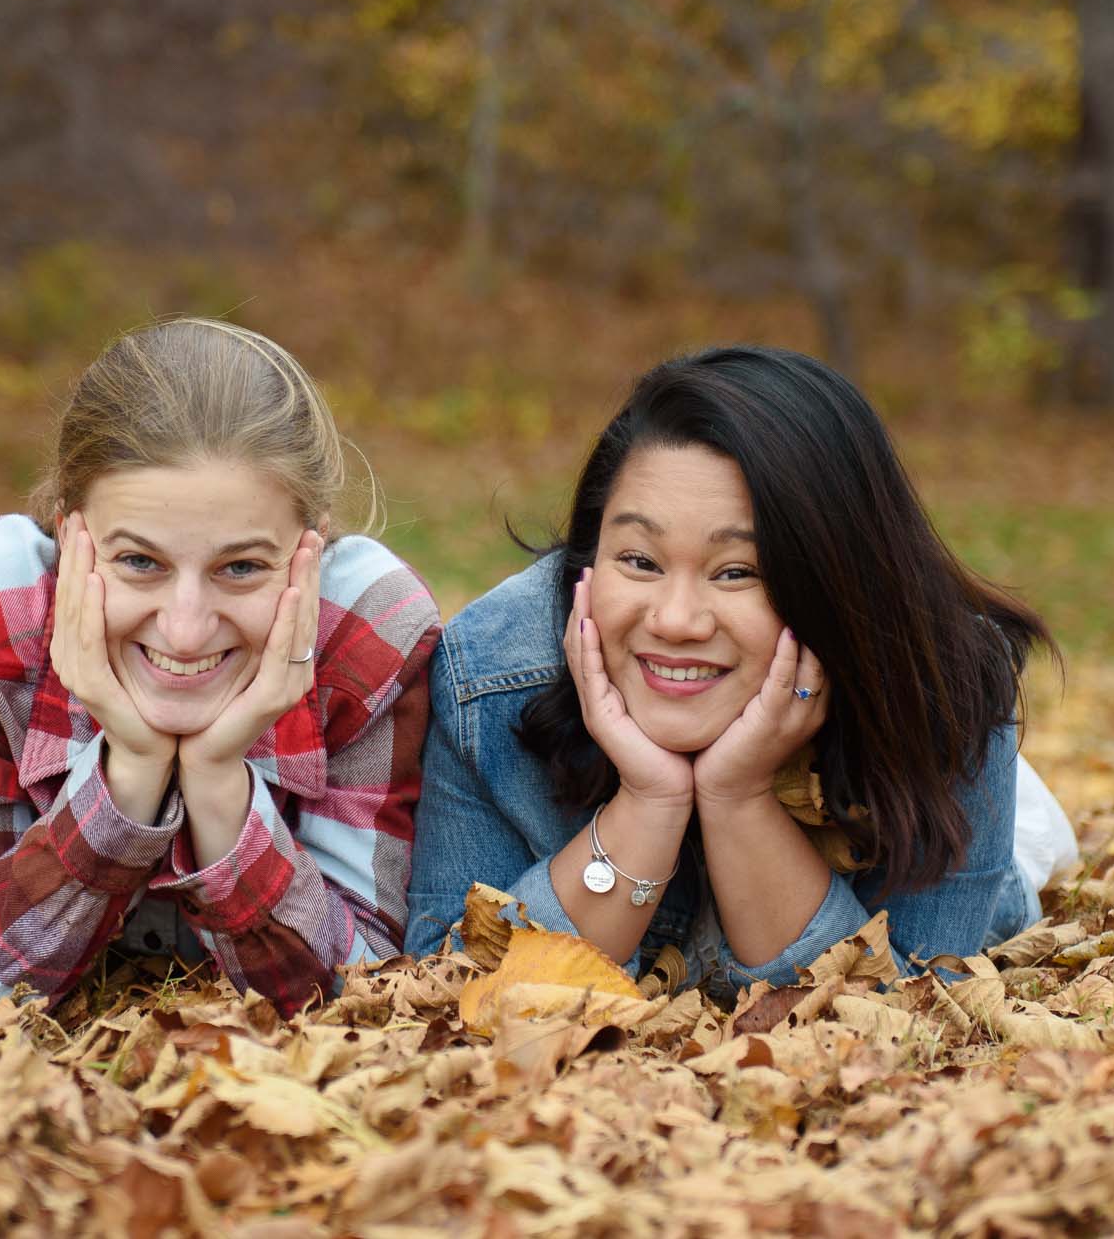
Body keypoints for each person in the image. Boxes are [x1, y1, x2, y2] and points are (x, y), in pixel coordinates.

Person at [405, 346, 1077, 993]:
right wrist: (651, 801)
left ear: (835, 586)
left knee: (1010, 894)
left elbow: (905, 1008)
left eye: (737, 571)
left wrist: (737, 795)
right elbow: (446, 986)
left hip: (866, 745)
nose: (675, 619)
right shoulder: (493, 672)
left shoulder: (941, 687)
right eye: (639, 559)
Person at [0, 318, 440, 1017]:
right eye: (140, 562)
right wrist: (130, 771)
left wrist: (217, 782)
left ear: (311, 549)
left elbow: (366, 995)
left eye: (241, 566)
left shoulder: (370, 630)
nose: (185, 625)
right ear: (69, 531)